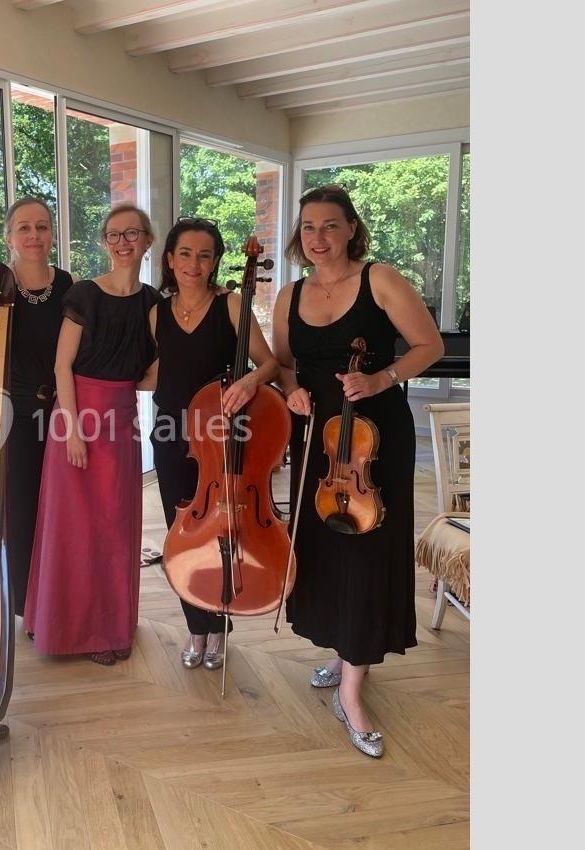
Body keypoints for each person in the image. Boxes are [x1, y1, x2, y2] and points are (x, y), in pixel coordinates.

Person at [271, 184, 443, 758]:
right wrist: (291, 390)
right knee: (324, 548)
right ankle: (343, 647)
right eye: (309, 227)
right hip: (316, 437)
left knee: (367, 549)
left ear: (351, 229)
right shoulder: (288, 294)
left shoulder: (381, 279)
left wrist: (379, 380)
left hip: (373, 438)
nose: (318, 238)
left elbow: (428, 345)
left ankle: (352, 690)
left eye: (330, 225)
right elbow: (282, 364)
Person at [137, 217, 278, 671]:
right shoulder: (158, 312)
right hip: (170, 433)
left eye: (204, 255)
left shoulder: (232, 304)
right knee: (185, 531)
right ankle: (196, 630)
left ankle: (218, 628)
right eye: (185, 254)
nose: (194, 264)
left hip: (221, 436)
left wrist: (251, 382)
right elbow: (158, 372)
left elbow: (270, 363)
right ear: (169, 260)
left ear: (216, 261)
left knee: (223, 528)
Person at [23, 203, 160, 666]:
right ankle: (56, 626)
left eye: (132, 234)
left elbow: (156, 373)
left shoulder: (152, 303)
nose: (123, 242)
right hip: (76, 419)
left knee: (115, 529)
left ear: (147, 241)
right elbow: (62, 365)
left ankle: (109, 629)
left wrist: (130, 384)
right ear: (104, 242)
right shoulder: (84, 294)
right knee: (71, 529)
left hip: (120, 422)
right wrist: (74, 431)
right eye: (114, 235)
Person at [0, 198, 74, 623]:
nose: (34, 235)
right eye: (24, 227)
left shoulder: (69, 285)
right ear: (9, 237)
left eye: (42, 226)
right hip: (10, 419)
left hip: (61, 415)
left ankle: (60, 600)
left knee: (63, 513)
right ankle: (28, 609)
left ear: (51, 235)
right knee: (21, 514)